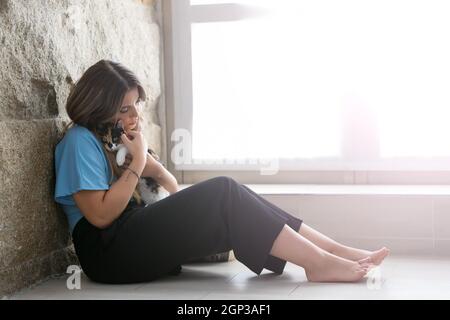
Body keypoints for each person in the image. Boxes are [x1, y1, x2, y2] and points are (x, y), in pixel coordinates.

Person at [54, 59, 390, 284]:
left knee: (235, 194)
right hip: (106, 253)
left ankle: (331, 251)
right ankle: (318, 262)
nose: (134, 118)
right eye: (124, 109)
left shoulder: (111, 141)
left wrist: (158, 172)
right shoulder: (79, 141)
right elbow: (99, 217)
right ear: (98, 105)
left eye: (136, 107)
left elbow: (170, 191)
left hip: (126, 238)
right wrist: (139, 165)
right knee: (224, 190)